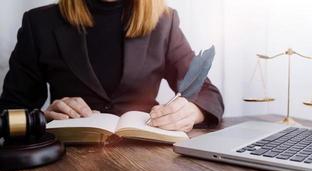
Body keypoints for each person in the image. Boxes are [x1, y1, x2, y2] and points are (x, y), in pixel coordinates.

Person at [0, 0, 224, 132]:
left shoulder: (164, 21)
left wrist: (192, 112)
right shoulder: (39, 22)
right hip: (65, 162)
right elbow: (8, 111)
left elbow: (208, 93)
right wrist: (43, 117)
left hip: (148, 159)